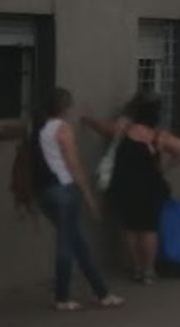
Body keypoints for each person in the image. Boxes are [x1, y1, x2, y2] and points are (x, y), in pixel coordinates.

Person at [84, 95, 180, 284]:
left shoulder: (124, 130)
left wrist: (88, 118)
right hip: (151, 186)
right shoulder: (158, 136)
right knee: (149, 228)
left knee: (131, 228)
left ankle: (137, 269)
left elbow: (99, 126)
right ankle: (148, 270)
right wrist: (165, 166)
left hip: (126, 186)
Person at [33, 89, 124, 311]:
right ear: (65, 108)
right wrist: (88, 197)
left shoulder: (36, 127)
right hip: (63, 187)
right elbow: (73, 164)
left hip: (44, 190)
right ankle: (62, 297)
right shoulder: (63, 130)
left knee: (77, 242)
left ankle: (102, 292)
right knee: (67, 243)